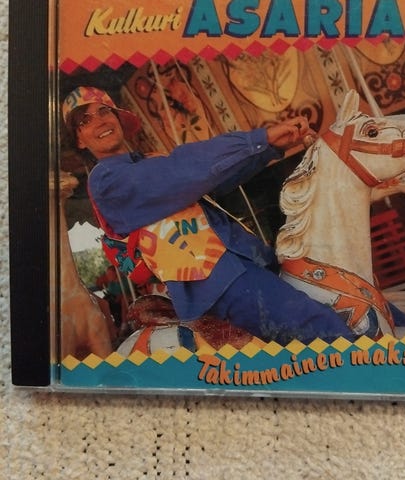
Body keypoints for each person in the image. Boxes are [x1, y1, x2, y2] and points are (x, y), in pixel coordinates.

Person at [62, 85, 363, 345]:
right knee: (324, 330)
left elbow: (211, 181)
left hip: (243, 264)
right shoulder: (106, 181)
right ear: (79, 140)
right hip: (217, 281)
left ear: (117, 117)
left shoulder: (146, 162)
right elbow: (183, 170)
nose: (99, 121)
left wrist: (268, 150)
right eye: (85, 121)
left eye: (104, 111)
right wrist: (260, 139)